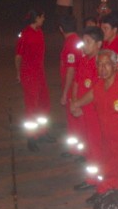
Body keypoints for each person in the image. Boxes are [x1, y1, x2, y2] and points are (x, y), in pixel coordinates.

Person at [72, 49, 118, 205]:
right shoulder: (99, 85)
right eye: (99, 65)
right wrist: (77, 103)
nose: (103, 68)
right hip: (107, 139)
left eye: (107, 64)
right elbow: (91, 95)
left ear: (115, 65)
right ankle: (105, 191)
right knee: (107, 169)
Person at [70, 26, 104, 193]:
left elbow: (95, 91)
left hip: (94, 113)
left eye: (88, 42)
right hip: (83, 111)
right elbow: (77, 82)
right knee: (89, 147)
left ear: (98, 44)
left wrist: (78, 104)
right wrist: (74, 102)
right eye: (83, 41)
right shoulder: (84, 60)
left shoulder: (101, 64)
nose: (84, 45)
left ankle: (102, 186)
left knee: (97, 149)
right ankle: (91, 179)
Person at [15, 8, 54, 152]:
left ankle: (42, 132)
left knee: (44, 103)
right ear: (36, 18)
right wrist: (18, 73)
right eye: (42, 17)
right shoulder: (25, 34)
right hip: (29, 73)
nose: (43, 19)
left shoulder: (39, 32)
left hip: (39, 72)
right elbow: (18, 56)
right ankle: (31, 138)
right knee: (32, 106)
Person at [58, 15, 83, 158]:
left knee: (73, 120)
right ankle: (79, 149)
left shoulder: (70, 44)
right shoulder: (78, 41)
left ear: (61, 29)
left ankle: (76, 150)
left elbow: (71, 70)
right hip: (79, 84)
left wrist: (65, 93)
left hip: (74, 86)